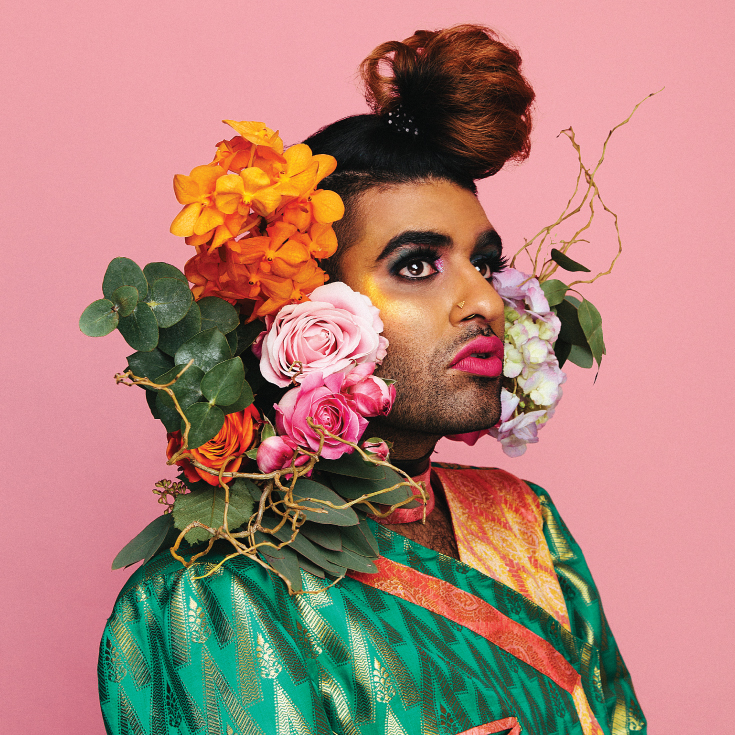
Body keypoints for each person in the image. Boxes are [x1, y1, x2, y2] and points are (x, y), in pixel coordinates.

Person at [98, 25, 646, 735]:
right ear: (299, 311)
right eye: (416, 264)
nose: (484, 300)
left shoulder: (524, 520)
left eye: (483, 262)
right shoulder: (209, 596)